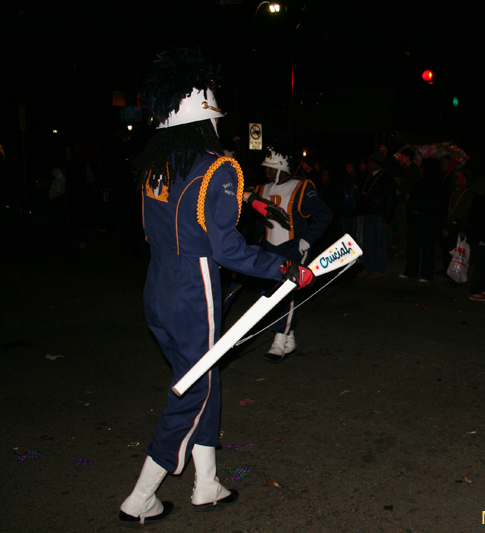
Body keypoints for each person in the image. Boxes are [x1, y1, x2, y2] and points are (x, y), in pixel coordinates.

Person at [117, 49, 314, 527]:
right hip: (192, 287)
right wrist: (283, 269)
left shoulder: (155, 165)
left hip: (157, 284)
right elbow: (226, 250)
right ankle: (141, 495)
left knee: (207, 378)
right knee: (194, 387)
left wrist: (245, 205)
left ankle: (206, 482)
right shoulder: (218, 166)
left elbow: (168, 220)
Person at [252, 138, 332, 361]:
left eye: (270, 168)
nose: (266, 172)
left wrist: (308, 238)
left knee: (287, 293)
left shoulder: (302, 187)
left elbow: (325, 215)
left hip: (293, 247)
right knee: (268, 293)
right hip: (270, 248)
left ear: (280, 168)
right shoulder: (261, 189)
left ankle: (279, 337)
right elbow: (259, 222)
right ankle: (289, 335)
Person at [357, 152, 396, 278]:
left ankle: (378, 269)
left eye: (371, 163)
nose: (368, 165)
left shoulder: (386, 178)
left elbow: (390, 199)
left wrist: (386, 219)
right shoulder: (369, 177)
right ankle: (368, 267)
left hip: (379, 215)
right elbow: (364, 196)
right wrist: (363, 212)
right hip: (369, 214)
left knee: (380, 243)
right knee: (367, 243)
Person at [401, 157, 441, 281]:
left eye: (423, 166)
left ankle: (427, 274)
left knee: (427, 248)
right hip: (415, 219)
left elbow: (435, 203)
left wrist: (421, 210)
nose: (421, 169)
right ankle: (411, 271)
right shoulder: (420, 181)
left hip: (427, 220)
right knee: (413, 246)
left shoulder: (436, 183)